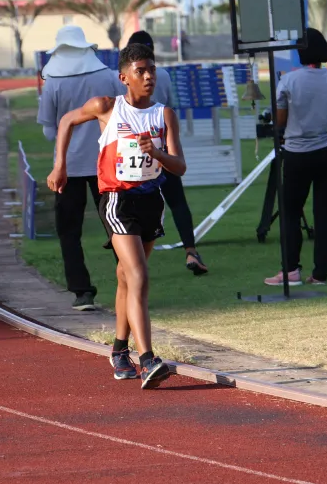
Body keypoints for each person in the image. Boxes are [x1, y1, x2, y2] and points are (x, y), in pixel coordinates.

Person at [47, 43, 186, 389]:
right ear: (124, 78)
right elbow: (66, 121)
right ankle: (148, 357)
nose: (149, 76)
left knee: (126, 276)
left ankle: (119, 350)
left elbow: (179, 167)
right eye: (141, 70)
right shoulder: (107, 108)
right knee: (138, 274)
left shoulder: (164, 115)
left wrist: (155, 151)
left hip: (150, 200)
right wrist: (60, 165)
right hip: (116, 200)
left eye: (152, 69)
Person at [37, 25, 124, 310]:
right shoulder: (107, 76)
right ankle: (130, 284)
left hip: (67, 167)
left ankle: (81, 291)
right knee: (119, 227)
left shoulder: (53, 83)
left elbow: (50, 131)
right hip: (107, 164)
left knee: (69, 231)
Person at [263, 27, 327, 286]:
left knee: (291, 211)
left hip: (299, 153)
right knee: (324, 212)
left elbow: (280, 119)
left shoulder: (289, 81)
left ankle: (291, 270)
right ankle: (321, 273)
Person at [125, 30, 208, 275]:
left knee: (133, 205)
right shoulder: (163, 75)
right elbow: (170, 105)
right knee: (177, 201)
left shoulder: (126, 76)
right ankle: (191, 250)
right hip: (162, 147)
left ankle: (133, 257)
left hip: (136, 150)